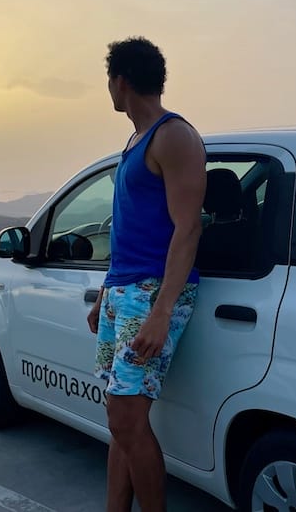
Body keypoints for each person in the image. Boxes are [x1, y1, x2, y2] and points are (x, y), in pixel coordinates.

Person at [87, 36, 206, 512]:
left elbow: (188, 227)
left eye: (108, 80)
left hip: (152, 292)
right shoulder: (137, 139)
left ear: (120, 81)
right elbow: (132, 228)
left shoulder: (172, 135)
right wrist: (104, 292)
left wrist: (162, 312)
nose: (108, 90)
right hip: (124, 289)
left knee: (127, 419)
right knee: (121, 422)